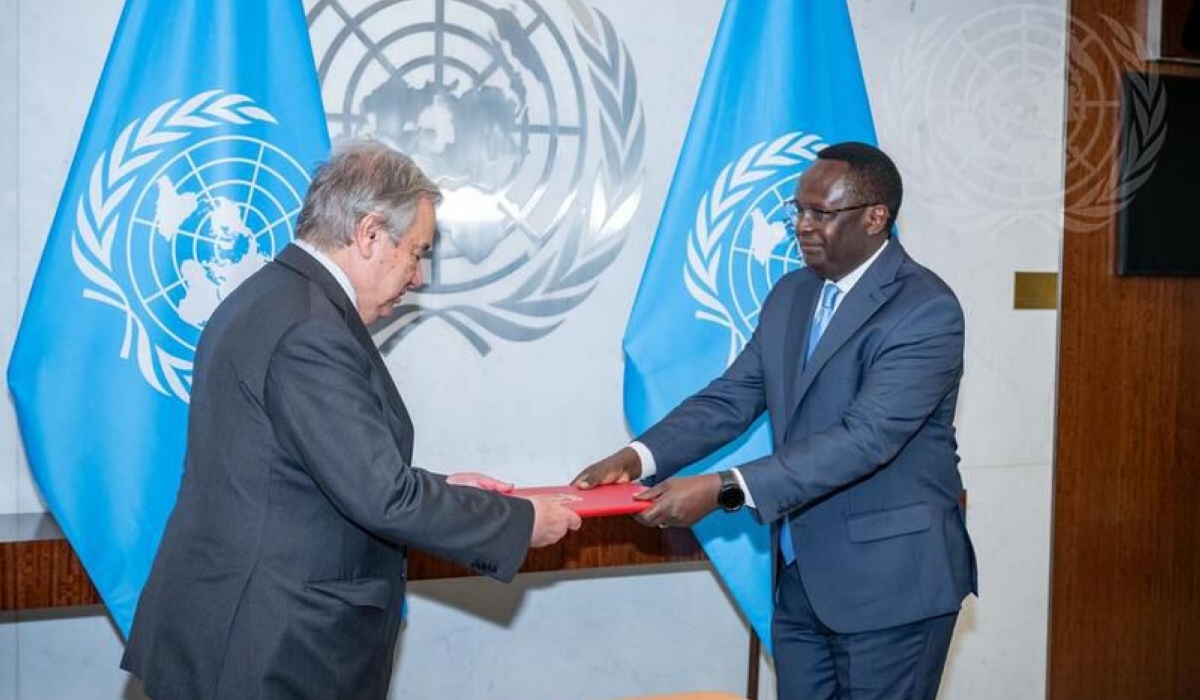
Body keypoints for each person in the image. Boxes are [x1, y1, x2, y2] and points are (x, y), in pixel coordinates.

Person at [122, 141, 582, 700]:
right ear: (368, 234)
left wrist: (442, 487)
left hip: (238, 628)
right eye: (416, 253)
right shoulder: (310, 329)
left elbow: (309, 472)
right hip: (270, 645)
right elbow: (380, 496)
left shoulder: (269, 296)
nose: (417, 279)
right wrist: (515, 521)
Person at [574, 142, 977, 700]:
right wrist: (637, 456)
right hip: (801, 579)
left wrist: (725, 490)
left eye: (820, 213)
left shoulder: (925, 308)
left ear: (875, 217)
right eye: (797, 211)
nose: (801, 227)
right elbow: (733, 397)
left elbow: (864, 440)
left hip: (892, 587)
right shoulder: (792, 293)